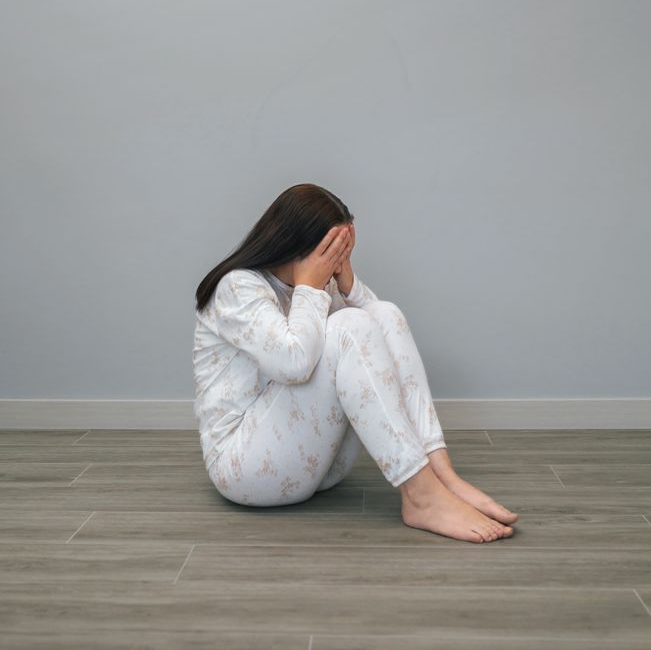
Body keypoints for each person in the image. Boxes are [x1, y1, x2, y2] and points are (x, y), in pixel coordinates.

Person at [193, 182, 518, 543]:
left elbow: (380, 341)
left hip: (324, 467)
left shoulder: (318, 287)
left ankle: (441, 474)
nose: (334, 262)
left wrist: (347, 285)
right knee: (350, 324)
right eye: (331, 251)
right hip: (245, 470)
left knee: (383, 313)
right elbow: (293, 363)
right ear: (295, 244)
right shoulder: (238, 288)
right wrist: (311, 289)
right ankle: (422, 497)